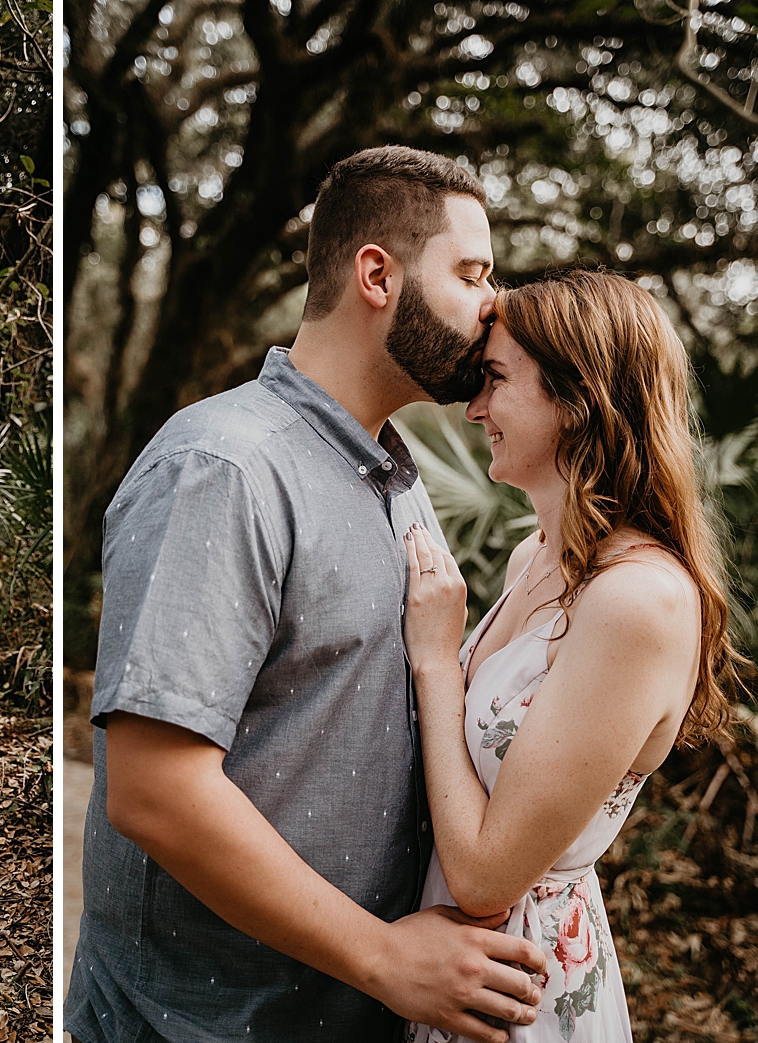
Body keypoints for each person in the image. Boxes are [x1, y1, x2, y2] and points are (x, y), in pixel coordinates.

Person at [65, 145, 546, 1043]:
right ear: (377, 274)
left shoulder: (396, 475)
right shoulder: (225, 468)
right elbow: (152, 788)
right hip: (200, 1025)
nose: (495, 304)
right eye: (473, 272)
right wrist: (385, 958)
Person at [401, 270, 743, 1042]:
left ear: (576, 396)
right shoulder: (535, 555)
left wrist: (433, 665)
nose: (475, 407)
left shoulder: (638, 601)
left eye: (494, 379)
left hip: (521, 991)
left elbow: (487, 879)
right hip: (445, 965)